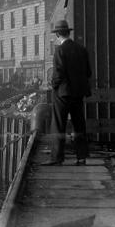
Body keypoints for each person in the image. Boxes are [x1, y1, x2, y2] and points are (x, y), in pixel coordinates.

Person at [42, 19, 91, 166]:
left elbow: (58, 74)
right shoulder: (81, 49)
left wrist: (53, 86)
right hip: (78, 93)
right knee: (79, 124)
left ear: (57, 34)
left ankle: (57, 158)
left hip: (63, 93)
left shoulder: (60, 50)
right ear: (68, 32)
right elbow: (88, 72)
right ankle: (81, 157)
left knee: (58, 124)